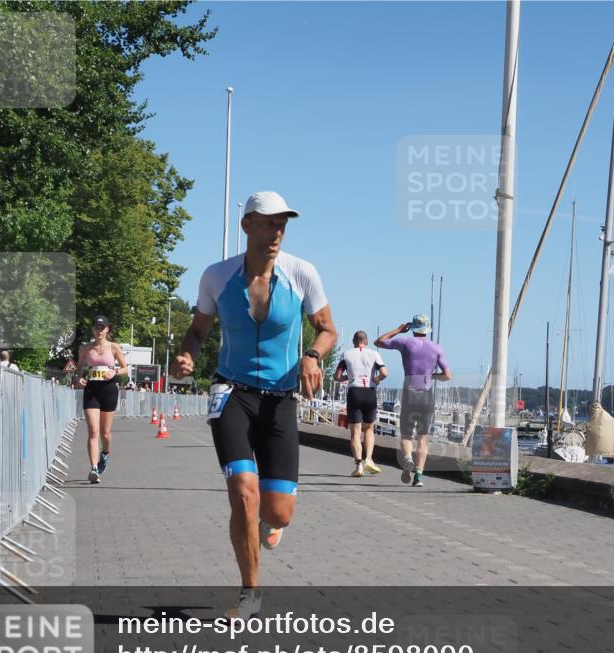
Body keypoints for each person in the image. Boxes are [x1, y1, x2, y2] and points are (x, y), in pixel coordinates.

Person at [172, 191, 336, 619]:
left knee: (279, 511)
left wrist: (313, 355)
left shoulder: (301, 273)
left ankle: (270, 524)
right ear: (247, 226)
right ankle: (250, 593)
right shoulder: (216, 276)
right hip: (232, 394)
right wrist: (186, 354)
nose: (276, 231)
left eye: (282, 223)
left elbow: (327, 330)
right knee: (243, 494)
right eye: (268, 222)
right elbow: (197, 331)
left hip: (280, 400)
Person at [374, 314, 452, 487]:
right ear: (428, 328)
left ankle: (408, 457)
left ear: (413, 328)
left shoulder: (405, 343)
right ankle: (419, 476)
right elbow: (448, 375)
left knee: (406, 435)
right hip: (426, 393)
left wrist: (398, 330)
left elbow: (378, 342)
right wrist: (432, 375)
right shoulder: (437, 348)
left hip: (409, 392)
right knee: (423, 439)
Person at [75, 315, 128, 484]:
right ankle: (94, 469)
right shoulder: (85, 348)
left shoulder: (113, 347)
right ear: (93, 329)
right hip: (91, 389)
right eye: (96, 327)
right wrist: (78, 378)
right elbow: (79, 368)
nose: (99, 331)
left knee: (105, 433)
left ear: (107, 330)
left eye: (102, 328)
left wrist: (115, 372)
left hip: (109, 389)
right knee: (93, 431)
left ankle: (105, 454)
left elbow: (125, 368)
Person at [333, 331, 387, 477]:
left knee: (355, 432)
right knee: (369, 429)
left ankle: (359, 466)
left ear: (353, 341)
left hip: (354, 392)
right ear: (366, 341)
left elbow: (337, 376)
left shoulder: (347, 354)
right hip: (369, 392)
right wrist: (376, 380)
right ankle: (369, 459)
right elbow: (384, 372)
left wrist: (347, 377)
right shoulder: (374, 354)